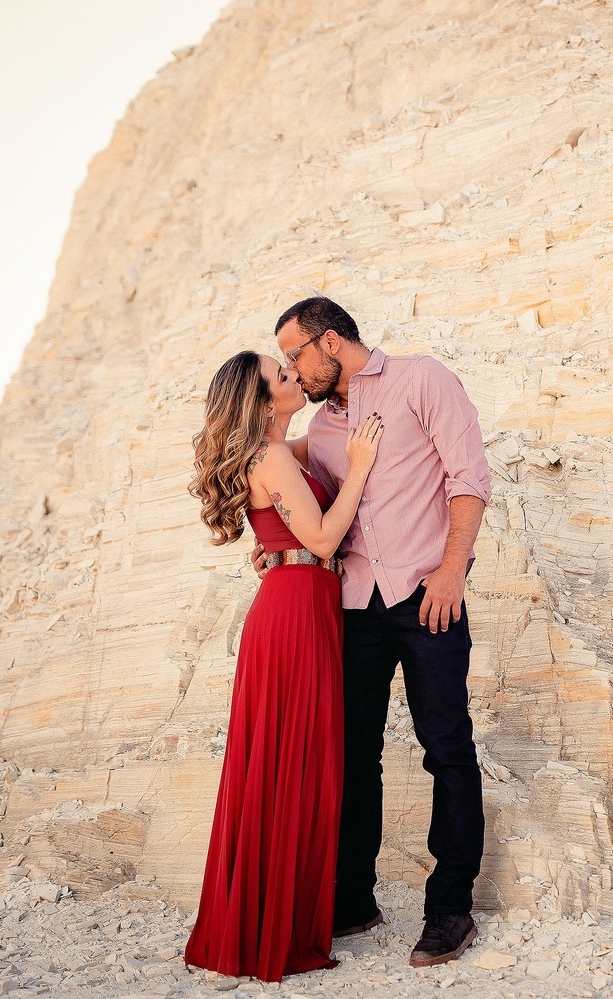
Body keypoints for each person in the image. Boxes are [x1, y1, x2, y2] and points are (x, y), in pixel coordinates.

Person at [253, 296, 492, 969]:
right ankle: (354, 900)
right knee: (353, 755)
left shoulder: (422, 379)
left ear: (330, 341)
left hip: (427, 595)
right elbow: (274, 471)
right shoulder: (323, 427)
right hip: (354, 605)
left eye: (295, 354)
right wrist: (274, 543)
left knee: (446, 746)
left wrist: (452, 571)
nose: (293, 371)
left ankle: (450, 910)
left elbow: (469, 478)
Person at [184, 350, 383, 983]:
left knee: (287, 760)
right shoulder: (269, 457)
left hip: (299, 604)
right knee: (291, 761)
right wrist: (361, 467)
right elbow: (321, 538)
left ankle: (274, 918)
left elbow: (306, 470)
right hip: (295, 614)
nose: (295, 375)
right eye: (282, 374)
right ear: (264, 399)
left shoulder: (275, 452)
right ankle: (277, 928)